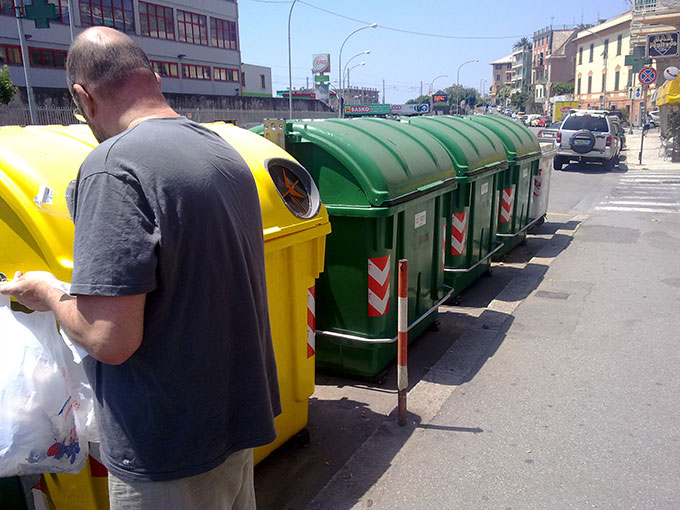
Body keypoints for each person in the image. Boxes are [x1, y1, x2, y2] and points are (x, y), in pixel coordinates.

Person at [0, 27, 280, 510]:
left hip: (168, 447)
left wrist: (47, 291)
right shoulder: (223, 152)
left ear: (82, 96)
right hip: (234, 423)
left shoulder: (113, 165)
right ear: (150, 77)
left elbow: (110, 338)